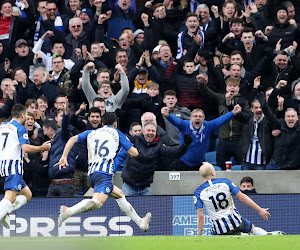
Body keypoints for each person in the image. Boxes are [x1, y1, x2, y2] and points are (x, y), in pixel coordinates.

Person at [55, 112, 152, 231]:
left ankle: (141, 223)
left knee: (120, 194)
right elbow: (134, 153)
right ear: (115, 124)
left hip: (91, 174)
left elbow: (72, 139)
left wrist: (64, 157)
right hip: (103, 174)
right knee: (97, 203)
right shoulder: (116, 133)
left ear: (102, 123)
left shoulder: (92, 132)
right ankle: (67, 211)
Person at [0, 104, 51, 229]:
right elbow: (26, 148)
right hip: (13, 166)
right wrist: (43, 147)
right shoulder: (20, 128)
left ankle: (6, 211)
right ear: (22, 115)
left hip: (3, 164)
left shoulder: (2, 126)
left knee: (27, 194)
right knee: (10, 196)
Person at [194, 163, 270, 236]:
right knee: (252, 228)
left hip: (219, 229)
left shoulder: (198, 192)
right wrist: (260, 210)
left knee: (214, 235)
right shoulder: (225, 182)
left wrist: (199, 235)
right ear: (212, 173)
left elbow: (200, 215)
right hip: (236, 222)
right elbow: (243, 198)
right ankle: (268, 236)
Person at [161, 103, 242, 171]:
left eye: (200, 116)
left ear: (204, 119)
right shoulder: (184, 125)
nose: (198, 118)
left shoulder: (207, 126)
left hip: (199, 164)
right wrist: (168, 115)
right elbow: (176, 121)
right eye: (195, 116)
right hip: (183, 162)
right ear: (191, 118)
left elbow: (220, 120)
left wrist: (233, 113)